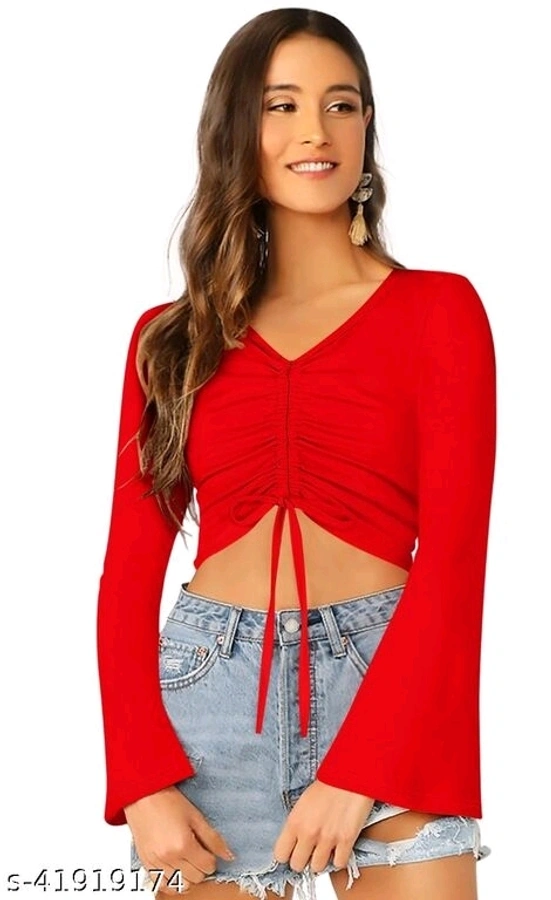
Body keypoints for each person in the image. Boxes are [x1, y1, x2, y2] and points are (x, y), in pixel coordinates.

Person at [96, 9, 497, 900]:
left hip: (391, 680)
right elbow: (128, 573)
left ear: (366, 130)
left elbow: (455, 561)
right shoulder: (171, 340)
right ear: (239, 130)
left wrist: (364, 766)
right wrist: (140, 781)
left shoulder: (440, 312)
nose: (316, 130)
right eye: (282, 105)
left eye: (340, 105)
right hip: (207, 701)